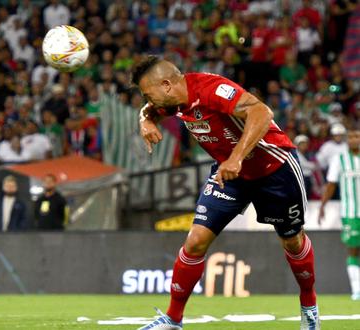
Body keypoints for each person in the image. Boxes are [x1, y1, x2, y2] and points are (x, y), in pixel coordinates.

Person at [132, 56, 319, 330]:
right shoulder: (175, 100)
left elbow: (262, 113)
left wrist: (236, 158)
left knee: (292, 241)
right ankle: (172, 321)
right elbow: (149, 110)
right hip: (230, 176)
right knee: (195, 241)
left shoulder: (211, 89)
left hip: (275, 169)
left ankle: (309, 308)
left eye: (148, 94)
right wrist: (144, 120)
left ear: (166, 85)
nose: (149, 101)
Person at [318, 129, 360, 301]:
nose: (353, 139)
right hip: (350, 213)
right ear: (346, 140)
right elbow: (331, 185)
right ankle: (356, 290)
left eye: (356, 136)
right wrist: (322, 205)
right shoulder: (339, 159)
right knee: (353, 251)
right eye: (350, 136)